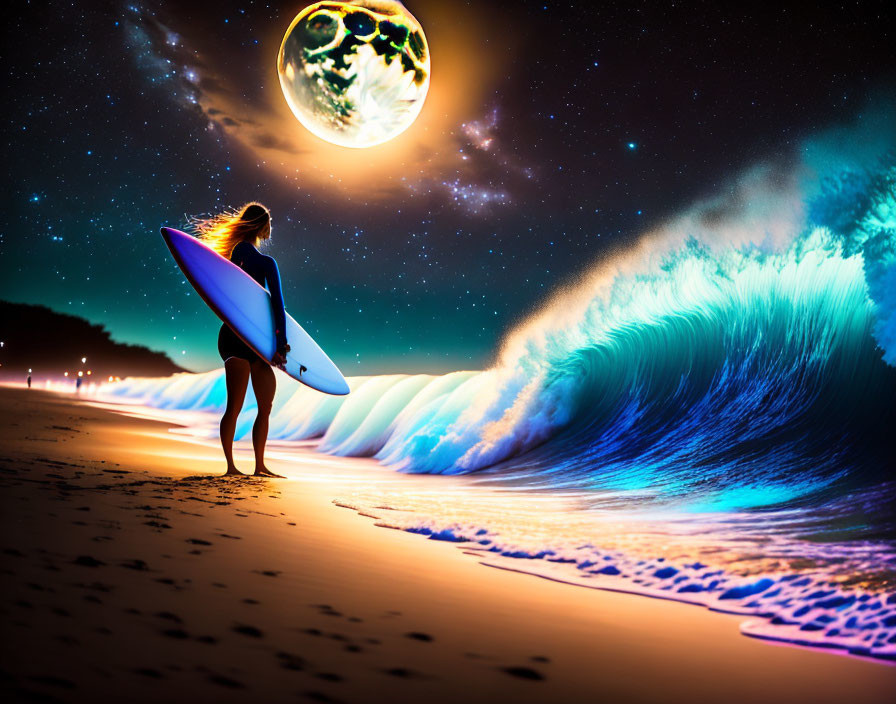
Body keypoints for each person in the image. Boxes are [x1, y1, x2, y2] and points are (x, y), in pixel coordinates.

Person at [192, 202, 290, 477]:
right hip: (240, 339)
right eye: (269, 222)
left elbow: (266, 303)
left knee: (261, 405)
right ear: (262, 225)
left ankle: (257, 466)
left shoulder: (243, 257)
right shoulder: (256, 260)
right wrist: (280, 344)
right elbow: (277, 306)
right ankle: (233, 467)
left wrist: (277, 345)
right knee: (239, 405)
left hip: (249, 338)